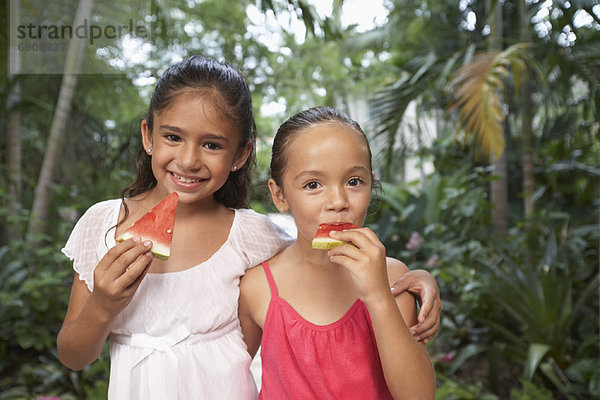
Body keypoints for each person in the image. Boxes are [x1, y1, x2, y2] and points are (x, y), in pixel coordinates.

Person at [57, 56, 439, 400]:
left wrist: (415, 277)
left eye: (211, 144)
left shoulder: (253, 236)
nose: (188, 160)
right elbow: (73, 355)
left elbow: (311, 248)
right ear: (148, 137)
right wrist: (103, 305)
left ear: (240, 154)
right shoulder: (103, 225)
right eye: (173, 136)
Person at [238, 106, 436, 399]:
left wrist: (378, 296)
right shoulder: (257, 287)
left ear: (371, 184)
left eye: (354, 181)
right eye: (313, 185)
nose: (338, 201)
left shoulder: (394, 279)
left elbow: (418, 396)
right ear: (279, 196)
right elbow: (226, 377)